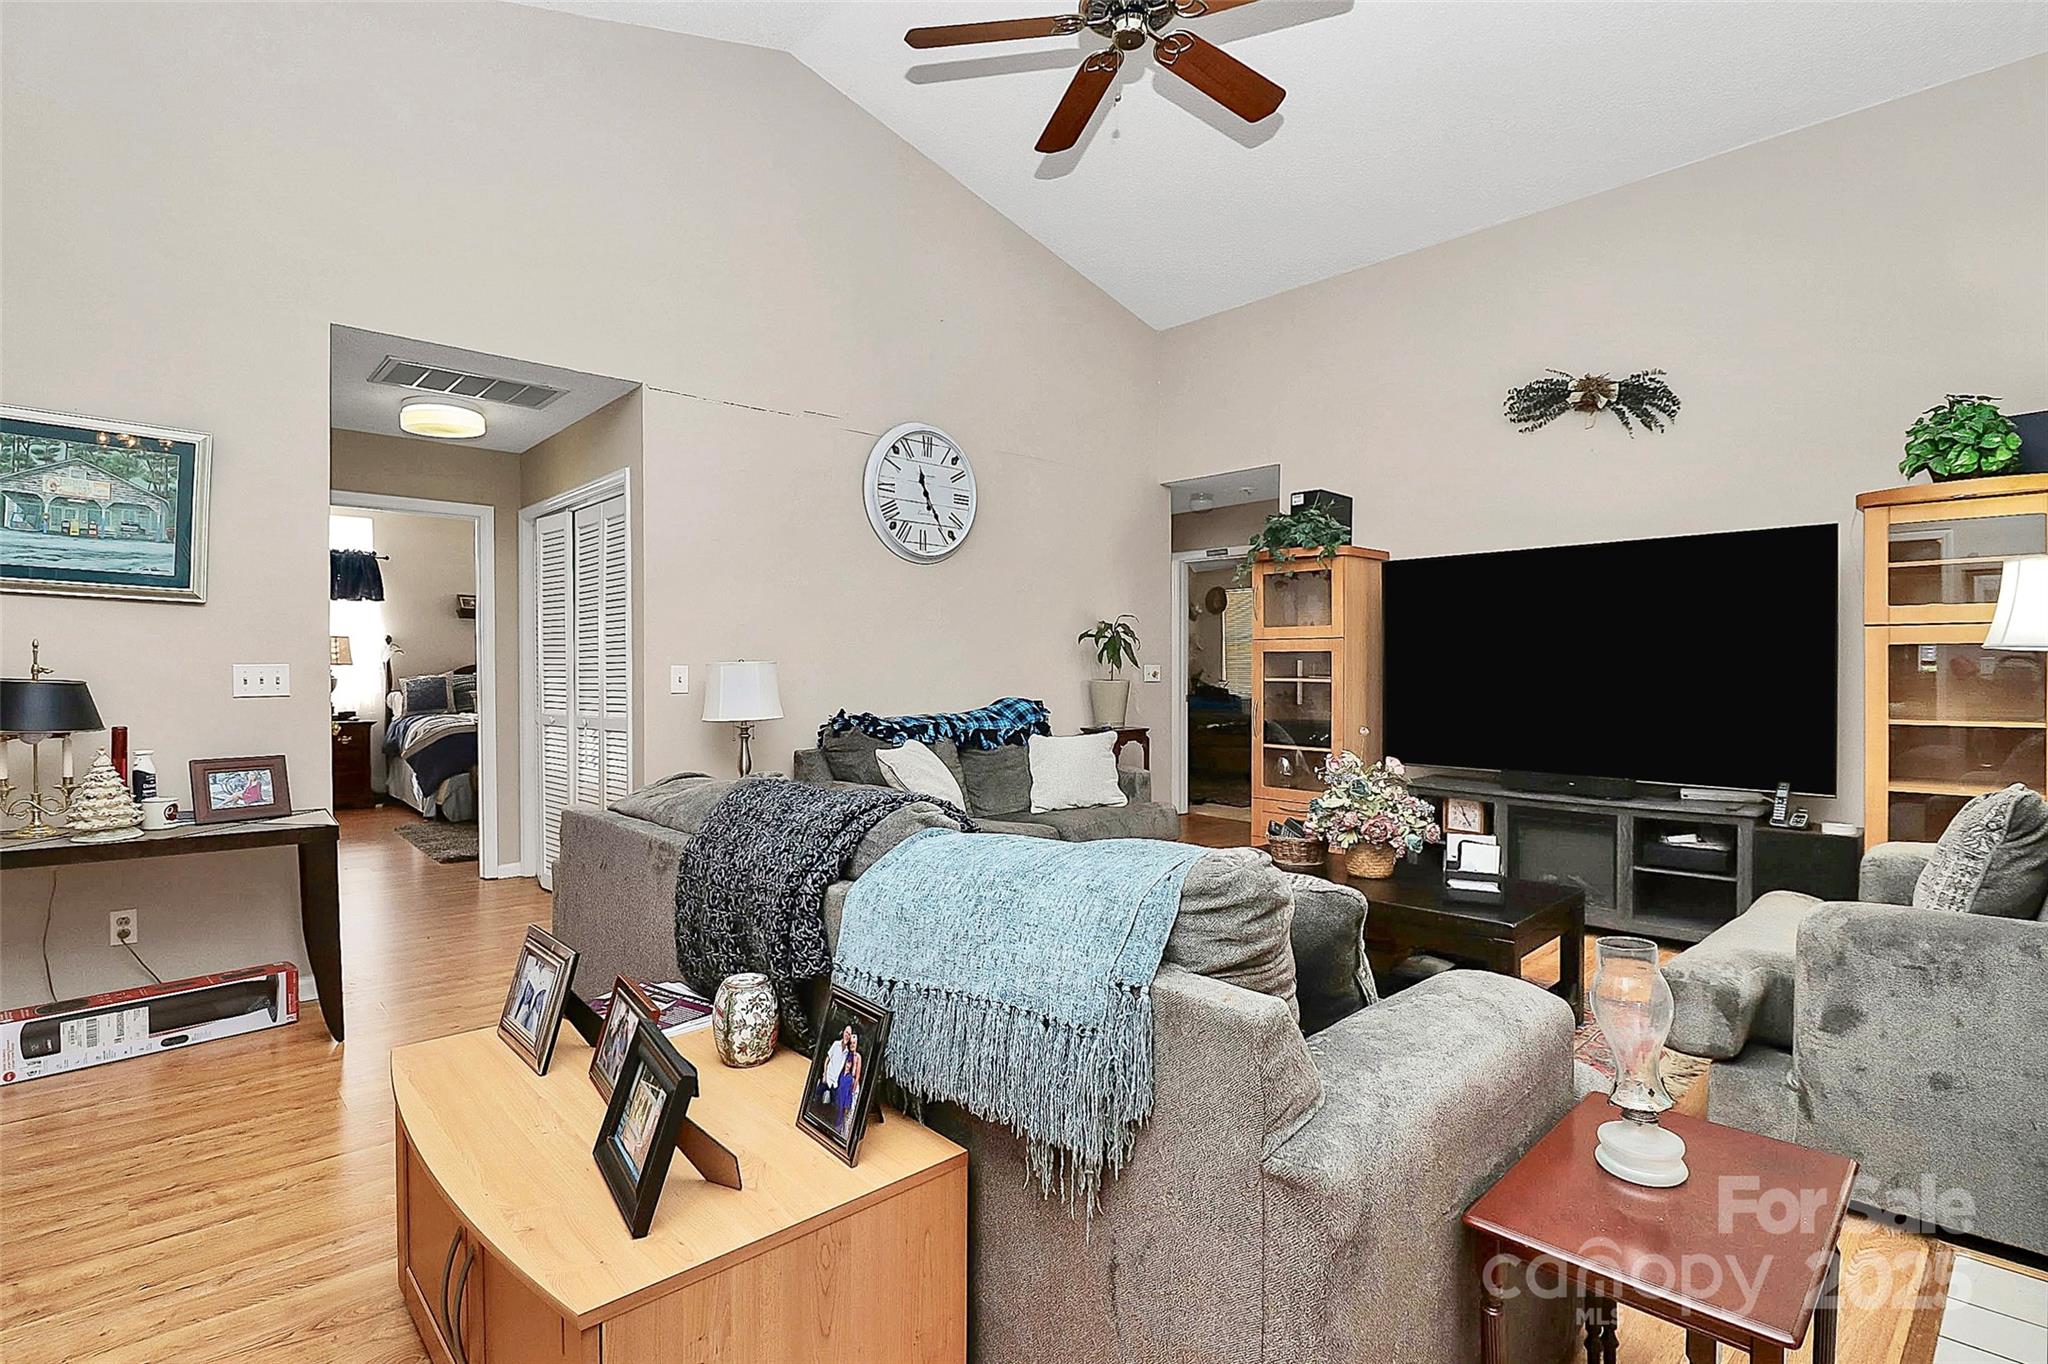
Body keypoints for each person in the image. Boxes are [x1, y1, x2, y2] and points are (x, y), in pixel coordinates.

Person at [837, 1034, 861, 1140]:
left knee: (850, 1112)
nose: (852, 1045)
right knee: (842, 1110)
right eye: (851, 1043)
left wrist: (853, 1087)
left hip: (853, 1088)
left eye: (854, 1043)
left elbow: (857, 1075)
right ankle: (840, 1134)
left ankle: (847, 1136)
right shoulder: (847, 1055)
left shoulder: (857, 1057)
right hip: (845, 1086)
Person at [819, 1025, 849, 1111]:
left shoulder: (847, 1052)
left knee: (831, 1107)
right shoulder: (836, 1044)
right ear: (843, 1032)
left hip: (835, 1082)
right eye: (846, 1032)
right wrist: (824, 1074)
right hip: (828, 1077)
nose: (847, 1035)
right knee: (819, 1100)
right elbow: (827, 1059)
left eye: (849, 1034)